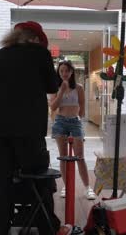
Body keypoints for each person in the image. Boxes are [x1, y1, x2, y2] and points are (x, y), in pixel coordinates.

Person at [0, 21, 71, 235]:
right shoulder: (38, 54)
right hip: (29, 130)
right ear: (34, 38)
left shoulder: (0, 55)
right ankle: (48, 227)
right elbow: (52, 86)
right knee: (39, 175)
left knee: (0, 183)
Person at [49, 60, 96, 201]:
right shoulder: (55, 87)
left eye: (67, 71)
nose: (64, 73)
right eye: (62, 70)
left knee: (80, 156)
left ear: (72, 72)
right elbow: (53, 107)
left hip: (75, 122)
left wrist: (79, 121)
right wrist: (61, 91)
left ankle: (88, 188)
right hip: (60, 121)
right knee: (63, 156)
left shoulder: (79, 87)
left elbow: (82, 107)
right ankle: (66, 186)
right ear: (59, 72)